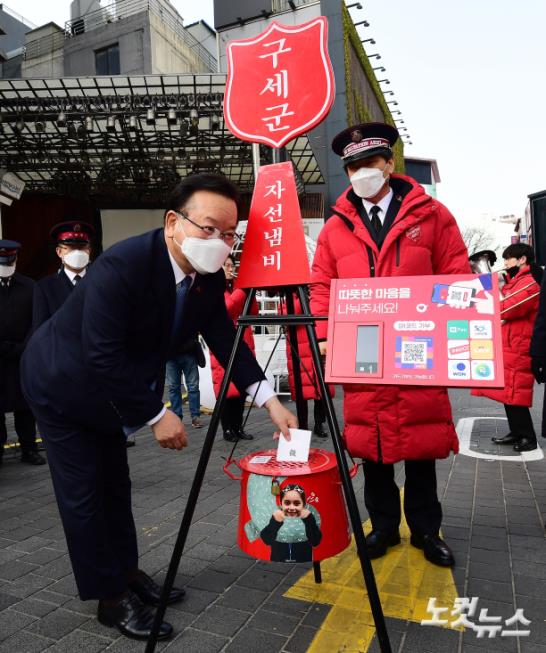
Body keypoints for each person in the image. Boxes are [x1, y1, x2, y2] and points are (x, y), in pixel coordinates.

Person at [20, 174, 297, 642]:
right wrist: (156, 414)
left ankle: (127, 573)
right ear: (174, 222)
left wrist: (269, 400)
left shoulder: (204, 278)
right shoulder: (125, 264)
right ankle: (109, 598)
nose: (219, 242)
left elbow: (226, 340)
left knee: (115, 485)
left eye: (229, 234)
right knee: (85, 495)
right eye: (208, 228)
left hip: (108, 390)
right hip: (60, 385)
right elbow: (101, 352)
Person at [311, 122, 470, 567]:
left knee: (420, 442)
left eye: (369, 163)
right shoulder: (335, 228)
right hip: (361, 348)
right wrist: (325, 335)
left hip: (419, 345)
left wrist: (459, 326)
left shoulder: (431, 215)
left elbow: (456, 274)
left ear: (389, 163)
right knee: (372, 441)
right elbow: (322, 286)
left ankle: (425, 529)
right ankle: (381, 526)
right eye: (353, 166)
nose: (362, 171)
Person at [473, 244, 541, 452]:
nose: (505, 264)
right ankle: (517, 432)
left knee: (516, 392)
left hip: (519, 345)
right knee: (508, 393)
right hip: (509, 343)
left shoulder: (529, 283)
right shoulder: (515, 281)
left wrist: (489, 288)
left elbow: (506, 308)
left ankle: (528, 438)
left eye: (508, 259)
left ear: (522, 260)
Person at [0, 240, 45, 466]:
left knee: (25, 407)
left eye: (9, 260)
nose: (5, 264)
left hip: (22, 358)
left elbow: (36, 321)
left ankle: (29, 448)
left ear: (15, 260)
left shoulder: (29, 286)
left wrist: (23, 347)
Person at [210, 254, 257, 442]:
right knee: (226, 390)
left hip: (244, 342)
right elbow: (227, 307)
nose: (229, 268)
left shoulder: (237, 287)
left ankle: (238, 427)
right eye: (225, 265)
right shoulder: (212, 288)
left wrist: (249, 289)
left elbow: (253, 311)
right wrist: (241, 290)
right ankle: (227, 429)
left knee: (241, 389)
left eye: (231, 264)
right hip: (223, 342)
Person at [32, 220, 94, 330]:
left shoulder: (102, 282)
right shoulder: (45, 287)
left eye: (82, 247)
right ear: (59, 252)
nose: (77, 252)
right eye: (71, 248)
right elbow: (41, 331)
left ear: (89, 251)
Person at [260, 483, 322, 562]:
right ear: (281, 503)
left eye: (296, 503)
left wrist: (309, 520)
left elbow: (315, 541)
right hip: (278, 558)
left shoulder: (309, 514)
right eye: (287, 503)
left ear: (303, 504)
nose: (292, 507)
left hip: (303, 558)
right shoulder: (277, 514)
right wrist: (275, 522)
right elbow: (266, 540)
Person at [165, 337, 204, 428]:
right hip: (173, 355)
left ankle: (193, 417)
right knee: (176, 388)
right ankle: (182, 417)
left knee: (180, 388)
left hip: (186, 353)